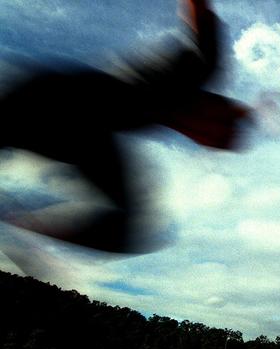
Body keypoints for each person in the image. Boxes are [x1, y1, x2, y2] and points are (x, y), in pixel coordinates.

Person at [0, 0, 251, 255]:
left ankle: (21, 220)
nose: (199, 140)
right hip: (49, 98)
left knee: (131, 222)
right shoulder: (199, 70)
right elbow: (198, 11)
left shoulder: (156, 117)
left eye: (207, 142)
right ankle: (24, 219)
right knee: (130, 218)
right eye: (210, 135)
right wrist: (243, 111)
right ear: (215, 112)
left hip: (80, 133)